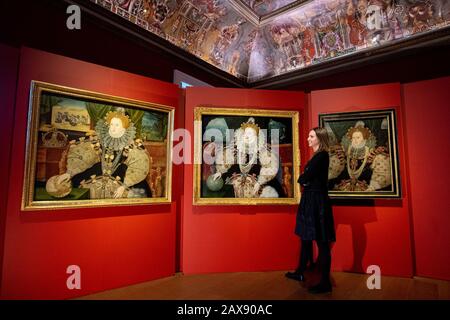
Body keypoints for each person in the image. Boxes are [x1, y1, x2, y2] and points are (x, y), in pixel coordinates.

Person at [46, 108, 151, 199]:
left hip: (123, 174)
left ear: (124, 128)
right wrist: (69, 173)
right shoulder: (99, 140)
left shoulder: (132, 145)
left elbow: (138, 165)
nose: (113, 128)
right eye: (111, 124)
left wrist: (124, 185)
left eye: (117, 125)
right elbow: (84, 155)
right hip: (97, 169)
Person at [286, 127, 336, 294]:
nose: (308, 139)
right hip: (311, 200)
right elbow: (305, 178)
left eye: (311, 136)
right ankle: (301, 271)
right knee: (305, 238)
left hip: (317, 202)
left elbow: (303, 177)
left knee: (322, 242)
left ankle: (325, 282)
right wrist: (305, 178)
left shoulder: (321, 156)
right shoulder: (317, 156)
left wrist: (305, 177)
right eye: (308, 135)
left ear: (319, 139)